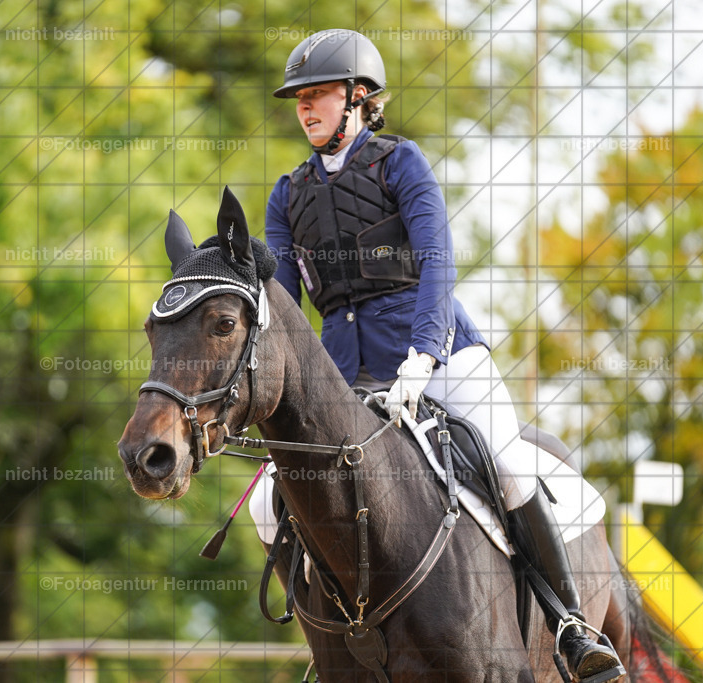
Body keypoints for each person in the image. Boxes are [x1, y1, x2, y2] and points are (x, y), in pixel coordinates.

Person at [254, 28, 624, 682]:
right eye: (299, 98)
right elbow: (285, 311)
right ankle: (332, 638)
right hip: (345, 376)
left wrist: (423, 355)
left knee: (506, 458)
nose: (306, 108)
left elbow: (436, 263)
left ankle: (567, 622)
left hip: (439, 354)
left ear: (360, 97)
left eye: (319, 95)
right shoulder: (288, 196)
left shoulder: (402, 164)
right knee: (267, 501)